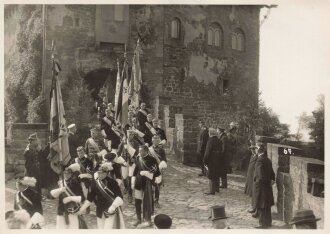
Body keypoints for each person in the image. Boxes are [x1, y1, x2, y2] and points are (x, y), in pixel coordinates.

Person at [77, 162, 125, 229]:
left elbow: (120, 197)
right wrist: (81, 209)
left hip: (110, 209)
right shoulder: (95, 183)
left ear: (107, 173)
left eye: (103, 173)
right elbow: (89, 199)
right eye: (99, 173)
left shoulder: (112, 182)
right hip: (100, 210)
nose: (100, 175)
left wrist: (113, 206)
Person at [132, 145, 160, 228]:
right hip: (138, 183)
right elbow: (136, 170)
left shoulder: (152, 159)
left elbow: (156, 171)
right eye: (139, 151)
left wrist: (146, 173)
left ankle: (148, 219)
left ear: (146, 151)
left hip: (148, 183)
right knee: (137, 201)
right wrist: (133, 181)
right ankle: (138, 219)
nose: (139, 152)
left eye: (141, 151)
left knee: (148, 202)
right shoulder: (138, 158)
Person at [50, 163, 85, 229]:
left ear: (72, 174)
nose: (66, 174)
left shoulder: (75, 183)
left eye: (68, 173)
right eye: (65, 173)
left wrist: (70, 198)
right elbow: (51, 196)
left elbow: (82, 198)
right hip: (61, 210)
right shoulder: (59, 183)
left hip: (73, 211)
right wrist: (60, 190)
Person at [253, 139, 275, 229]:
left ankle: (262, 224)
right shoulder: (268, 160)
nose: (254, 150)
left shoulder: (259, 160)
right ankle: (268, 222)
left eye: (255, 148)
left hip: (261, 185)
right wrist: (271, 181)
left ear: (258, 150)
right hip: (267, 186)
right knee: (266, 204)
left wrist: (258, 181)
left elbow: (260, 175)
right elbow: (273, 174)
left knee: (261, 204)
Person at [149, 135, 167, 208]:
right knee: (149, 185)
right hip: (150, 169)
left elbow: (164, 160)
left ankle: (156, 200)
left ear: (159, 140)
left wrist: (161, 165)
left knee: (157, 186)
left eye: (157, 139)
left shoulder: (161, 150)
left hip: (158, 169)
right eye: (154, 139)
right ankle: (149, 200)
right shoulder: (149, 149)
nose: (155, 140)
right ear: (152, 140)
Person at [203, 128, 223, 195]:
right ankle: (217, 189)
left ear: (210, 133)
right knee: (217, 174)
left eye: (209, 132)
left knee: (211, 175)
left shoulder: (210, 141)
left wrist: (205, 161)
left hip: (211, 160)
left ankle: (212, 190)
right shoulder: (219, 140)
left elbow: (207, 152)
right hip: (219, 160)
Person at [245, 140, 258, 214]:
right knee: (252, 193)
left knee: (254, 193)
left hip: (254, 177)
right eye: (251, 149)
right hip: (250, 177)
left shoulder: (257, 157)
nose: (252, 150)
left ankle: (255, 208)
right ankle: (253, 207)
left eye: (253, 149)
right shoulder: (252, 156)